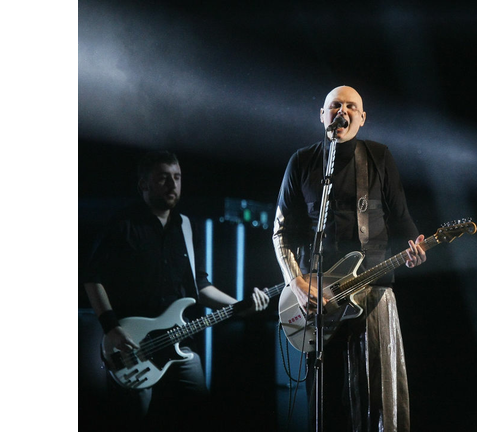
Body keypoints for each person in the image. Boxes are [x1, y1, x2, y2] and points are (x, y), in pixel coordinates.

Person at [272, 85, 426, 431]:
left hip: (373, 291)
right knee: (323, 399)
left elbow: (401, 218)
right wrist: (296, 282)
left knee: (376, 399)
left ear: (362, 118)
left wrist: (415, 247)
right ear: (323, 115)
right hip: (318, 297)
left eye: (351, 107)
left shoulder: (378, 157)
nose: (343, 112)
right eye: (335, 106)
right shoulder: (302, 161)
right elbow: (281, 231)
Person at [82, 150, 270, 431]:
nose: (172, 185)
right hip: (133, 344)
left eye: (177, 177)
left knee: (200, 413)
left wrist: (241, 305)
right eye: (163, 178)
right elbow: (92, 278)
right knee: (133, 420)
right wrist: (111, 328)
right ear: (143, 185)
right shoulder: (123, 225)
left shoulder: (185, 226)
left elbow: (200, 287)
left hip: (180, 343)